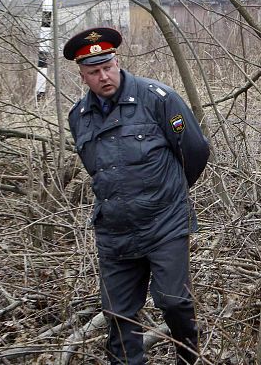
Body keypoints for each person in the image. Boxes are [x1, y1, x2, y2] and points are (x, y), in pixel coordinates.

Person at [63, 26, 210, 365]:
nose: (103, 76)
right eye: (93, 72)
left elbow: (195, 151)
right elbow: (97, 169)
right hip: (115, 231)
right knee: (119, 316)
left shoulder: (158, 99)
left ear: (117, 61)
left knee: (173, 301)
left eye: (107, 67)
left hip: (164, 223)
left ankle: (189, 358)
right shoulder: (78, 116)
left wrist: (167, 193)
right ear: (82, 76)